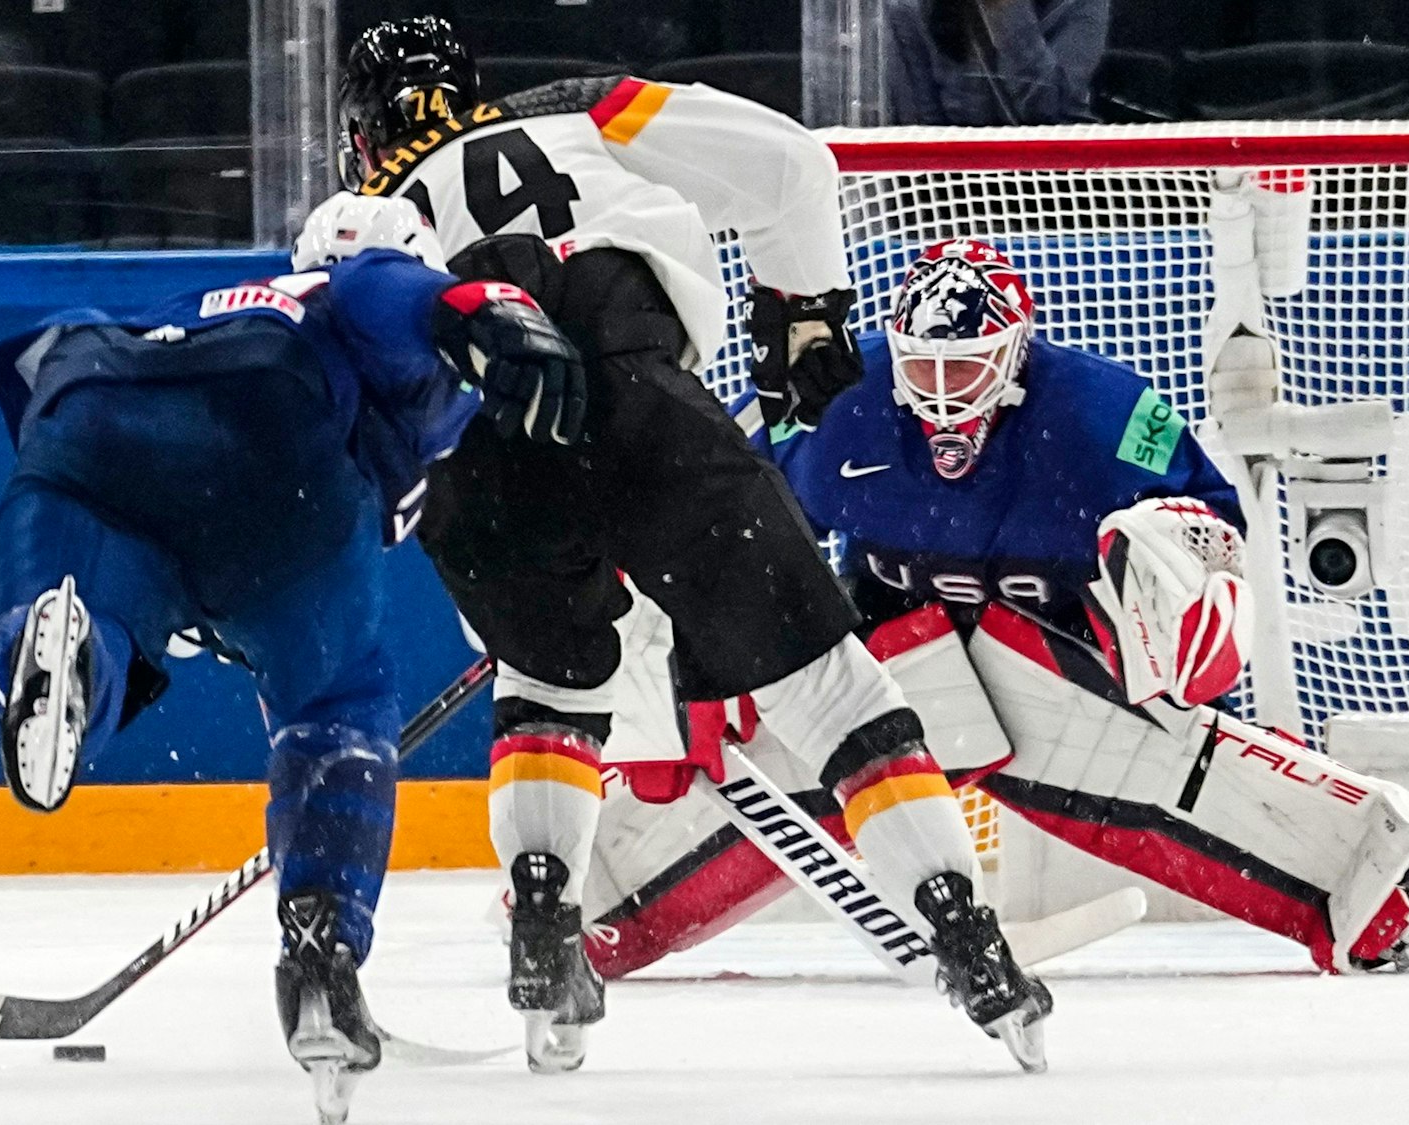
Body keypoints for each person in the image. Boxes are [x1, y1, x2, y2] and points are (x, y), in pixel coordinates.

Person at [326, 16, 1051, 1072]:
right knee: (833, 694)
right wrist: (800, 313)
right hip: (636, 399)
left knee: (548, 685)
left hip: (467, 461)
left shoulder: (349, 224)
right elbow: (793, 165)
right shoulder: (581, 109)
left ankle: (544, 930)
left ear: (357, 132)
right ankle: (969, 944)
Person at [578, 239, 1409, 979]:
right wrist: (694, 661)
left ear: (1015, 358)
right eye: (924, 371)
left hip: (1053, 649)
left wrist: (1170, 597)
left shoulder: (1099, 413)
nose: (942, 398)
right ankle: (583, 898)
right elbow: (707, 510)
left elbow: (1213, 525)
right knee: (769, 737)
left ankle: (1385, 888)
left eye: (966, 370)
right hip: (884, 649)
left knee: (1156, 765)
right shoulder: (841, 402)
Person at [0, 194, 583, 1124]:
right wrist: (481, 313)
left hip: (89, 403)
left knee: (103, 623)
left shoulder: (224, 292)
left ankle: (57, 654)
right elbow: (390, 294)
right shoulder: (363, 295)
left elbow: (26, 380)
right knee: (339, 708)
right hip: (271, 446)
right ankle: (320, 949)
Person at [885, 0, 1111, 126]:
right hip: (961, 190)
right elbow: (923, 136)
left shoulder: (1078, 6)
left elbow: (1049, 111)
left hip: (1058, 185)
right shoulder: (910, 10)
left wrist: (1008, 11)